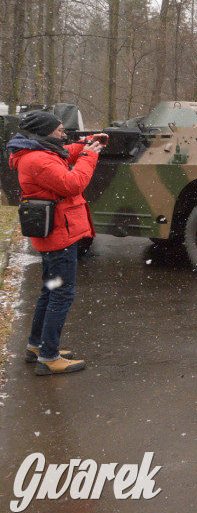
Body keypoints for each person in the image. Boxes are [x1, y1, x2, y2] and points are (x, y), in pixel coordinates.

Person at [7, 111, 103, 375]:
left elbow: (64, 153)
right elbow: (73, 183)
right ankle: (49, 357)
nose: (63, 134)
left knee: (50, 291)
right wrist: (90, 155)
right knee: (61, 294)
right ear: (44, 132)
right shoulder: (38, 159)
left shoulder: (37, 152)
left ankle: (37, 346)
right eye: (59, 130)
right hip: (59, 237)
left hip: (54, 235)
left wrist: (87, 143)